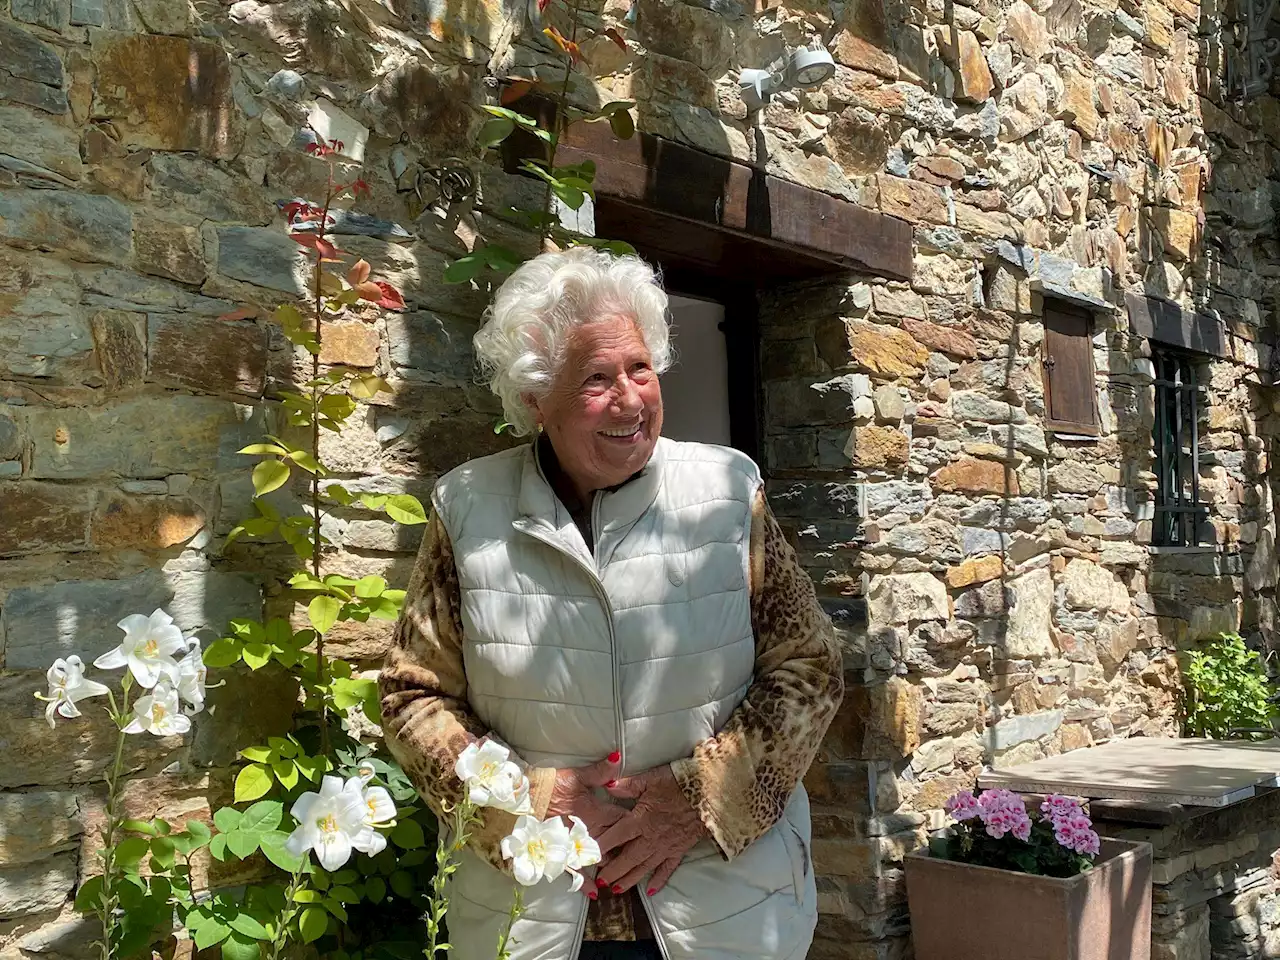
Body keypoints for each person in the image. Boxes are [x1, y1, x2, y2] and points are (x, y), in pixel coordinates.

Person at [378, 247, 844, 960]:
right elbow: (414, 697)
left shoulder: (726, 494)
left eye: (640, 368)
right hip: (529, 910)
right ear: (537, 399)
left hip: (720, 905)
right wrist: (530, 800)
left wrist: (701, 797)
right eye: (597, 378)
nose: (630, 399)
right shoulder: (468, 508)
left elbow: (809, 667)